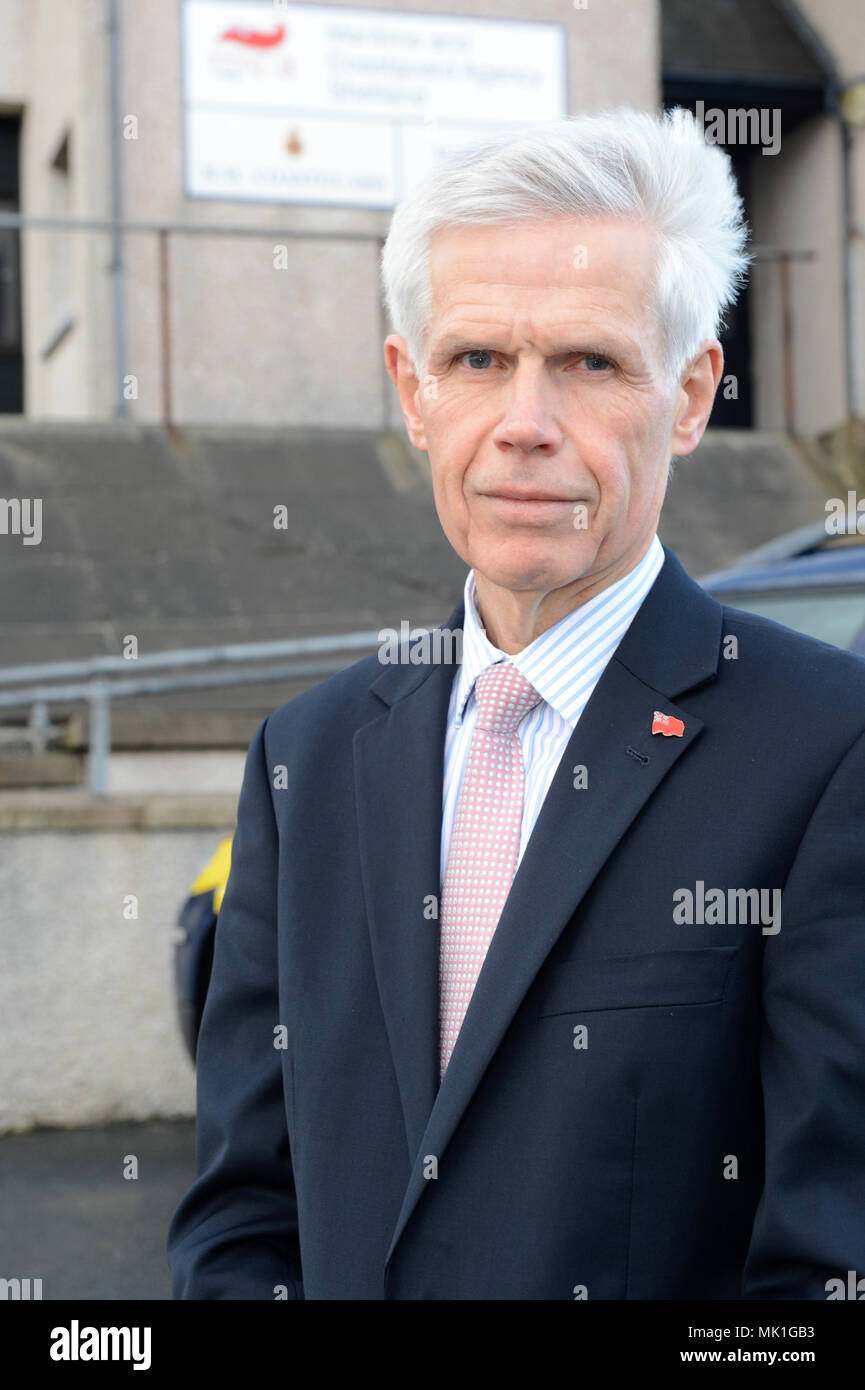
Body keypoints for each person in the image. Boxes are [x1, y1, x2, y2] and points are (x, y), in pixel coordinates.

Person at [167, 107, 865, 1300]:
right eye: (477, 359)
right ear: (412, 389)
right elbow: (244, 1210)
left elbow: (828, 1261)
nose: (524, 426)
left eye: (590, 364)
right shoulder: (307, 755)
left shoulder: (826, 750)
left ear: (691, 395)